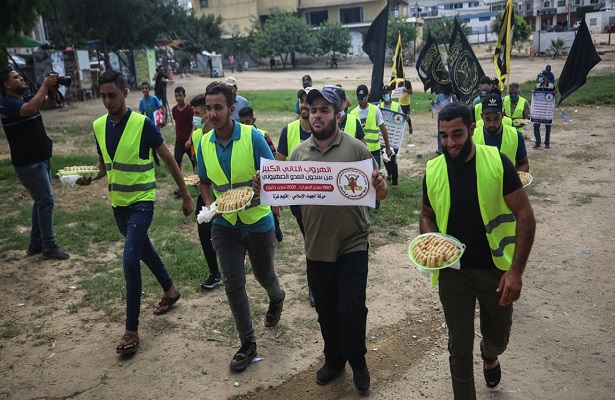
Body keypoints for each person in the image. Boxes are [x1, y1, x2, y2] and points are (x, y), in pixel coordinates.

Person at [274, 87, 387, 394]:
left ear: (337, 115)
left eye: (324, 110)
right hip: (316, 248)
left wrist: (380, 184)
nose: (317, 115)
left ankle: (358, 362)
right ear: (307, 116)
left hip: (353, 245)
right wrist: (264, 185)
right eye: (313, 110)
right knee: (325, 311)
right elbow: (288, 198)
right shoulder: (298, 154)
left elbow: (378, 194)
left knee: (352, 309)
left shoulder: (356, 150)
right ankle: (333, 359)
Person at [420, 101, 535, 399]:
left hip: (495, 272)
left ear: (472, 129)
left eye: (457, 134)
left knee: (498, 338)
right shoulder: (433, 170)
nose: (450, 143)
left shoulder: (497, 162)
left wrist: (516, 272)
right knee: (458, 347)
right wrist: (430, 239)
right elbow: (426, 214)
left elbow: (525, 216)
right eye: (443, 136)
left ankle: (490, 354)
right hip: (453, 272)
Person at [78, 70, 195, 355]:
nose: (107, 101)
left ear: (125, 92)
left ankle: (131, 329)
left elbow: (169, 158)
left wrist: (187, 195)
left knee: (130, 259)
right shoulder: (98, 126)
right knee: (143, 250)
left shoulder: (142, 124)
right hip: (118, 204)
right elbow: (104, 166)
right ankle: (170, 290)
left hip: (142, 201)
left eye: (112, 95)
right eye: (103, 96)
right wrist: (88, 177)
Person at [195, 82, 285, 372]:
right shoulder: (203, 144)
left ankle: (277, 297)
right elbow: (205, 182)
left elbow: (274, 179)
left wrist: (256, 193)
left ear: (231, 109)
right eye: (209, 108)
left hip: (258, 220)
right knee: (233, 283)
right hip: (224, 224)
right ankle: (248, 343)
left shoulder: (253, 137)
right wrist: (210, 207)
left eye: (218, 107)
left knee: (264, 275)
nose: (212, 113)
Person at [0, 68, 70, 260]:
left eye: (20, 76)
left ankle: (35, 244)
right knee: (45, 202)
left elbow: (49, 104)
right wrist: (45, 85)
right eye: (16, 77)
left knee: (40, 203)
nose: (21, 78)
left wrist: (53, 89)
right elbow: (30, 109)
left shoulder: (25, 97)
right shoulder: (8, 103)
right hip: (29, 163)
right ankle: (49, 246)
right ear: (7, 84)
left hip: (40, 159)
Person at [276, 87, 315, 306]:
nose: (304, 105)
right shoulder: (288, 130)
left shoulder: (325, 129)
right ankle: (315, 286)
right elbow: (279, 164)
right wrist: (275, 197)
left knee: (317, 240)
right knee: (311, 239)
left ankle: (319, 283)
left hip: (324, 199)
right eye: (302, 101)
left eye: (308, 102)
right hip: (299, 201)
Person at [188, 94, 222, 290]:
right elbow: (196, 166)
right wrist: (196, 178)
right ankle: (214, 273)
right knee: (203, 229)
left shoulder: (222, 133)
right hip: (206, 191)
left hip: (226, 193)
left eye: (197, 114)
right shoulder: (196, 136)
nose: (195, 118)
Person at [238, 106, 284, 243]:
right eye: (242, 123)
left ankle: (276, 229)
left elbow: (273, 158)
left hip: (264, 179)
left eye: (248, 122)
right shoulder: (239, 139)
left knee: (269, 209)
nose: (245, 125)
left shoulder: (262, 135)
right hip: (250, 183)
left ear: (254, 120)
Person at [473, 93, 529, 172]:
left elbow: (524, 164)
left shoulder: (516, 136)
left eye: (496, 119)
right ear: (482, 117)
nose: (492, 124)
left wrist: (516, 180)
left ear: (502, 115)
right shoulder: (473, 137)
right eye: (488, 119)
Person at [350, 84, 393, 170]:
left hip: (375, 150)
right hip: (360, 151)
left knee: (376, 175)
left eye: (364, 98)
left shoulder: (375, 110)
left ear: (368, 96)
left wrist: (388, 148)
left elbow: (383, 130)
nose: (362, 101)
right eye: (360, 99)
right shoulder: (353, 113)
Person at [379, 84, 403, 186]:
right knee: (385, 158)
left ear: (390, 93)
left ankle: (395, 183)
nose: (385, 95)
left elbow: (401, 120)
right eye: (384, 93)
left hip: (393, 137)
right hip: (382, 137)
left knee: (393, 159)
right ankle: (389, 173)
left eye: (387, 93)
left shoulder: (396, 106)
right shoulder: (379, 107)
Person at [171, 86, 194, 171]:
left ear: (184, 96)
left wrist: (190, 140)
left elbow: (194, 126)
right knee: (176, 161)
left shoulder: (190, 110)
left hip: (189, 140)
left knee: (194, 161)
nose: (178, 98)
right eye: (176, 96)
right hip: (179, 141)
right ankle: (180, 181)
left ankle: (196, 180)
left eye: (180, 95)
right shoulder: (174, 110)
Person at [532, 70, 555, 149]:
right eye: (539, 76)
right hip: (539, 109)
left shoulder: (551, 86)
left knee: (548, 126)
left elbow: (553, 97)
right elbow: (536, 97)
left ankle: (547, 143)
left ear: (545, 77)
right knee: (536, 125)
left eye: (542, 76)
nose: (540, 78)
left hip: (547, 109)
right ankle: (537, 142)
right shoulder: (537, 86)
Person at [431, 86, 457, 155]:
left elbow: (456, 106)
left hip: (450, 117)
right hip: (441, 117)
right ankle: (440, 147)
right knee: (440, 132)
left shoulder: (452, 96)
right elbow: (436, 107)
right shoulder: (440, 96)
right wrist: (434, 104)